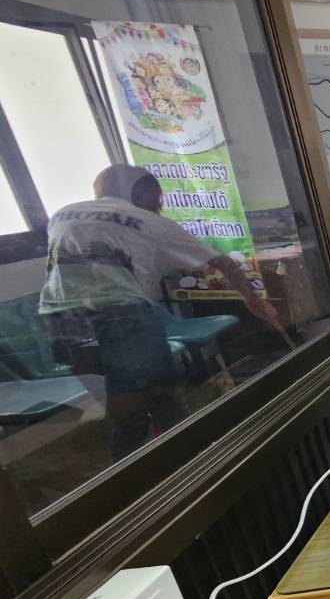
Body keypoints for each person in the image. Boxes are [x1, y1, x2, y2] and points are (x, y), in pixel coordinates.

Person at [39, 164, 280, 455]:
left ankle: (151, 462)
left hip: (60, 319)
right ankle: (176, 462)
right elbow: (223, 263)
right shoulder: (148, 222)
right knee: (154, 399)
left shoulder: (62, 213)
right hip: (121, 314)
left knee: (123, 398)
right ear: (148, 194)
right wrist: (257, 303)